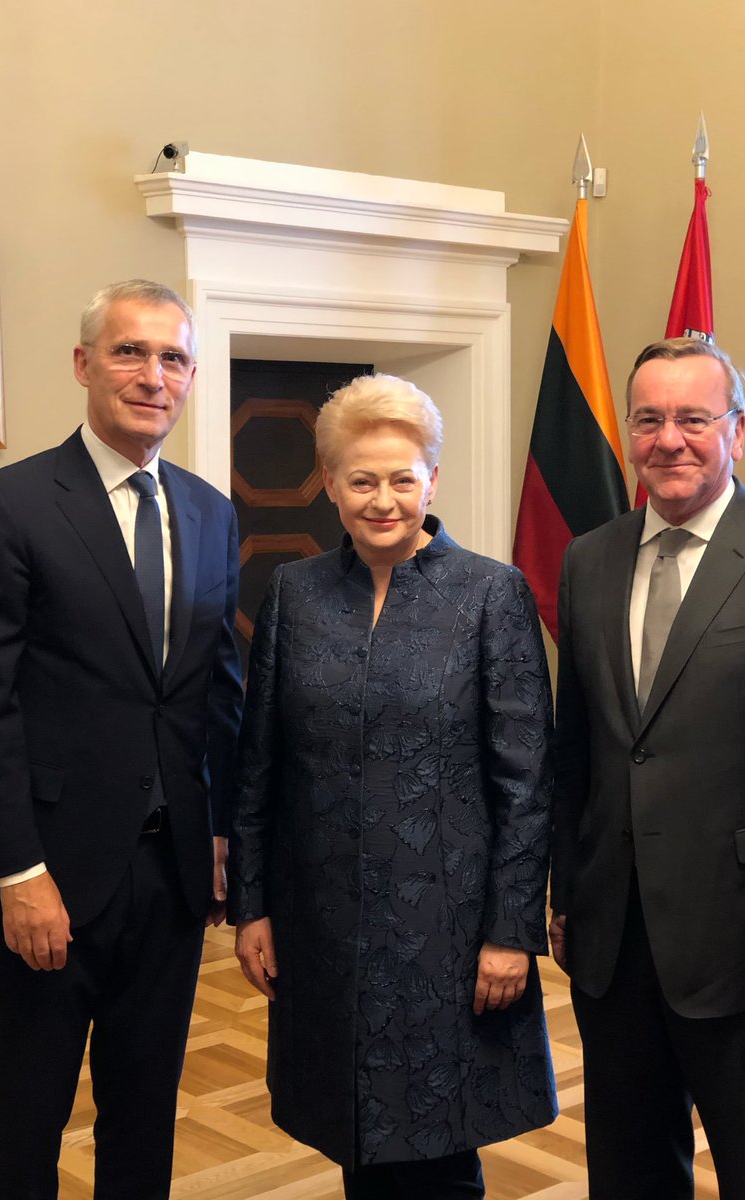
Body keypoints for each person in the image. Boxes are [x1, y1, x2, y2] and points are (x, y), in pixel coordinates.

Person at [550, 337, 745, 1200]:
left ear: (734, 427)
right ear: (628, 434)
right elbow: (573, 748)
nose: (670, 439)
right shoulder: (590, 559)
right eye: (649, 420)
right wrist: (566, 897)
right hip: (616, 944)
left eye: (694, 418)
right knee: (629, 1169)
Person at [229, 373, 556, 1199]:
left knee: (441, 1146)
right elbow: (260, 761)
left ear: (432, 482)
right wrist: (253, 905)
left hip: (450, 933)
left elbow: (525, 781)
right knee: (357, 1135)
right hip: (324, 925)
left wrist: (511, 931)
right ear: (331, 485)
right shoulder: (295, 596)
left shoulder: (491, 593)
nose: (383, 499)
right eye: (362, 480)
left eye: (402, 479)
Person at [0, 279, 243, 1199]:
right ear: (84, 364)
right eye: (130, 352)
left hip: (167, 884)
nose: (151, 375)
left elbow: (212, 693)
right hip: (45, 881)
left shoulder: (210, 513)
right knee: (25, 1126)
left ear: (192, 376)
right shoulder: (7, 507)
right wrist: (16, 873)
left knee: (145, 1119)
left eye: (172, 358)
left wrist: (222, 833)